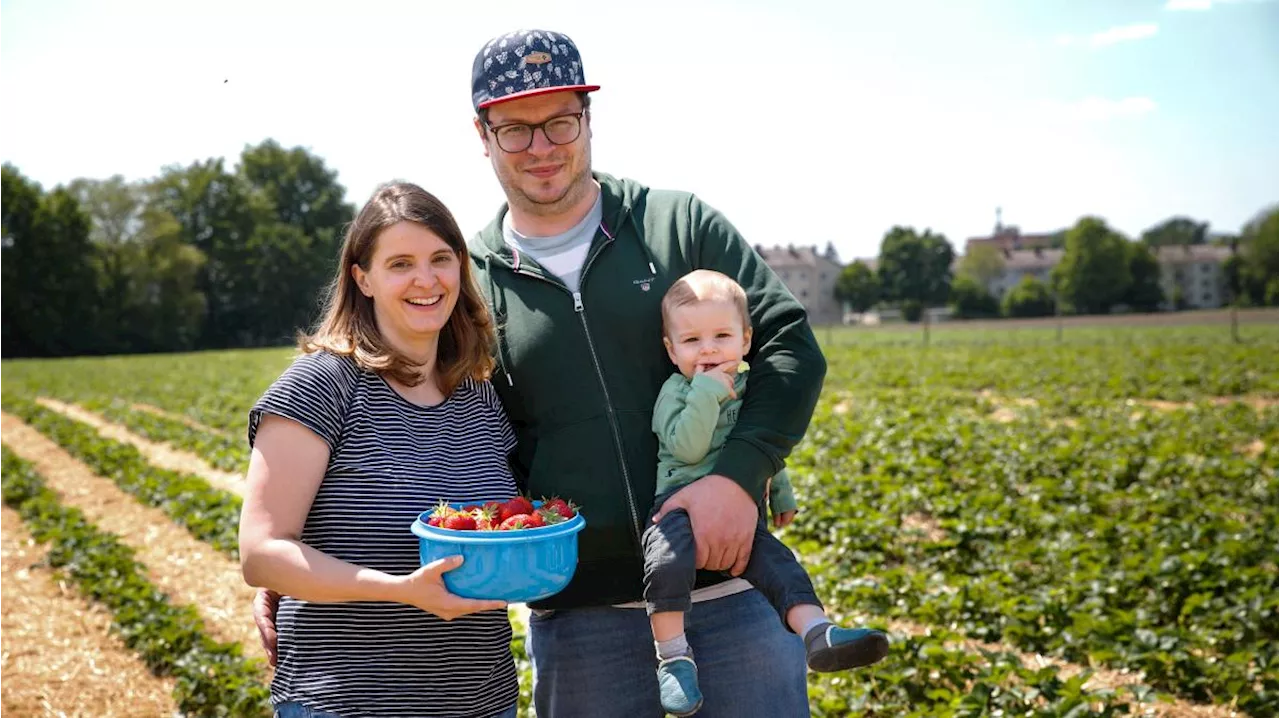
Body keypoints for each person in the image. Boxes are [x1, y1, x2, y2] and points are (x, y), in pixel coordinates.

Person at [258, 28, 838, 716]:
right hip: (582, 623)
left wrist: (740, 477)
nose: (542, 147)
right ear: (483, 134)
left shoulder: (677, 225)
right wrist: (307, 559)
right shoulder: (467, 282)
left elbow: (791, 346)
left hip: (732, 590)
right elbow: (435, 432)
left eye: (561, 121)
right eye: (515, 129)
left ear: (588, 118)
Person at [238, 182, 521, 718]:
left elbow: (506, 533)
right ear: (361, 278)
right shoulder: (322, 386)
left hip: (483, 699)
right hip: (348, 701)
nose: (426, 279)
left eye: (441, 258)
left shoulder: (478, 395)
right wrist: (399, 590)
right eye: (400, 264)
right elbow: (261, 552)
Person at [643, 270, 889, 715]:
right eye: (692, 340)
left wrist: (781, 493)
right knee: (664, 564)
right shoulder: (676, 390)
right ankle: (674, 658)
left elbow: (764, 450)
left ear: (746, 339)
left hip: (740, 511)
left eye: (722, 335)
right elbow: (687, 444)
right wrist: (705, 392)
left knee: (778, 562)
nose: (710, 349)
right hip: (676, 505)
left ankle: (817, 631)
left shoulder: (750, 388)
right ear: (671, 349)